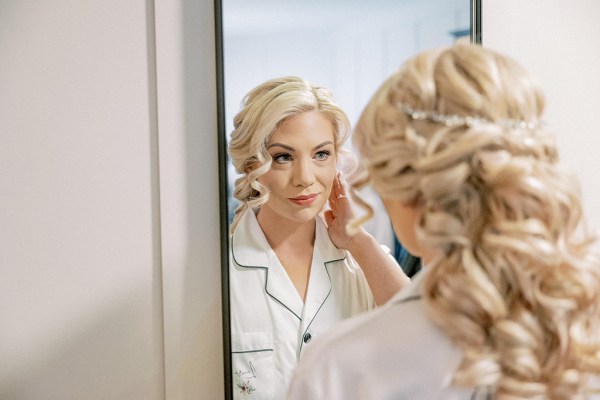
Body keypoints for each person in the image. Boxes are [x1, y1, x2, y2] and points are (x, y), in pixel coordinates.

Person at [286, 44, 600, 399]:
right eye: (284, 156)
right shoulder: (581, 327)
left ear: (404, 190)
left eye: (322, 154)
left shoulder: (340, 368)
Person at [227, 76, 410, 400]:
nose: (305, 179)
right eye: (283, 157)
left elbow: (426, 337)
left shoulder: (364, 263)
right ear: (252, 163)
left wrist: (360, 243)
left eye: (321, 154)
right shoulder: (218, 270)